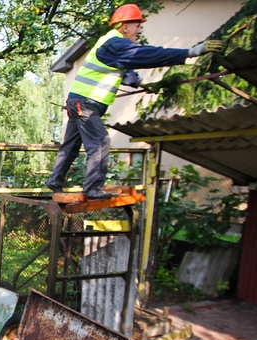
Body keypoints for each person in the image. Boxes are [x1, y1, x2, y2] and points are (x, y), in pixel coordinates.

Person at [46, 3, 224, 199]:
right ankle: (92, 189)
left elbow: (124, 70)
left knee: (71, 144)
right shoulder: (114, 44)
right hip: (86, 103)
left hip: (80, 101)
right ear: (125, 26)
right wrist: (190, 52)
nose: (139, 30)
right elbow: (146, 54)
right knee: (100, 141)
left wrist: (143, 83)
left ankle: (55, 181)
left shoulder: (111, 44)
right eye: (137, 25)